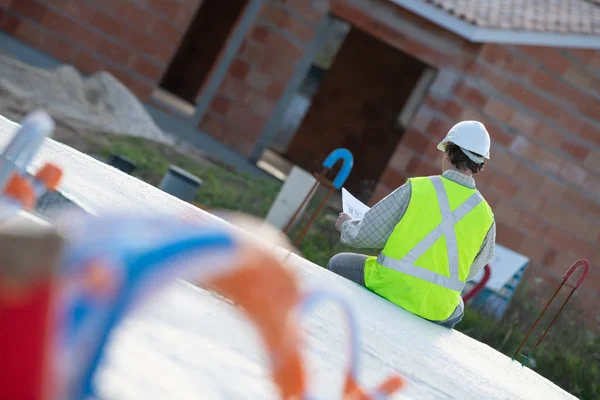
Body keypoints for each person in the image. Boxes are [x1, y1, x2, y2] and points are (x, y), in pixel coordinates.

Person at [328, 120, 496, 329]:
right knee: (457, 307)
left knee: (338, 262)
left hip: (389, 286)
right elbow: (471, 271)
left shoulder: (417, 188)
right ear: (479, 165)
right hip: (436, 309)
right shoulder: (486, 216)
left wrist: (346, 225)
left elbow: (365, 235)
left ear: (448, 153)